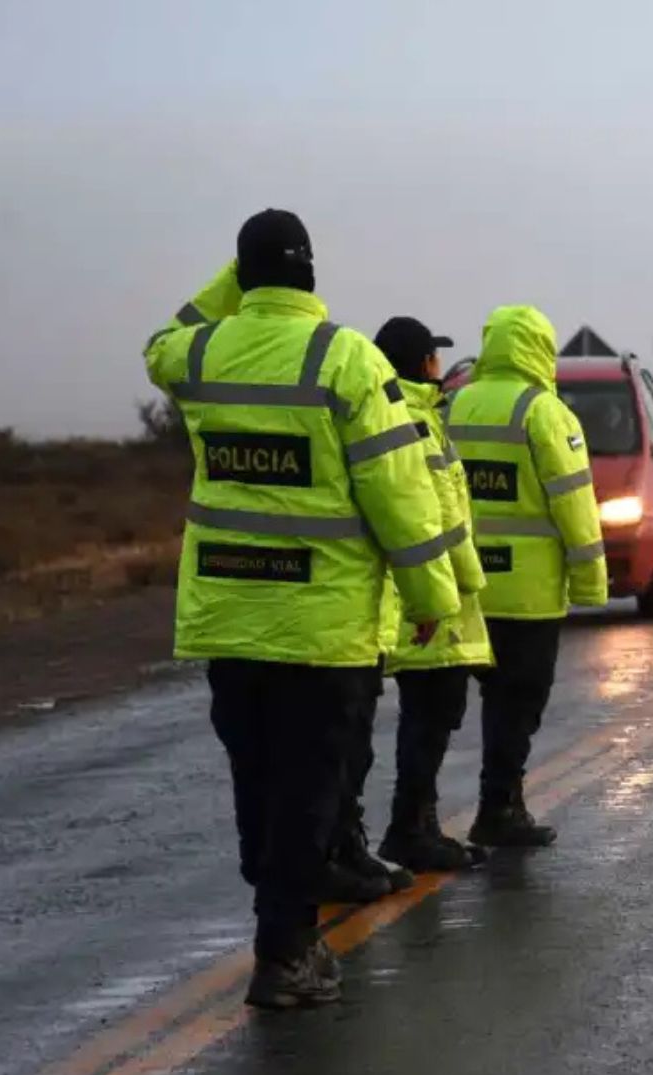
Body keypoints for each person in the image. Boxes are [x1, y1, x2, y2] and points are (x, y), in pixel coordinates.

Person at [141, 209, 460, 1009]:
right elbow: (399, 495)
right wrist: (431, 596)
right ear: (310, 273)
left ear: (243, 276)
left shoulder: (202, 353)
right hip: (323, 627)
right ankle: (284, 950)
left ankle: (281, 924)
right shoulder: (345, 359)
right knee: (309, 788)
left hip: (230, 615)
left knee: (257, 779)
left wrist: (236, 283)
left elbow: (161, 342)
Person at [448, 306, 607, 848]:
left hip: (464, 586)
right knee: (516, 706)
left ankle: (420, 818)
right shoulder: (544, 413)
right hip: (528, 595)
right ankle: (499, 807)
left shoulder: (454, 405)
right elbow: (575, 507)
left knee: (441, 710)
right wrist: (590, 584)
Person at [368, 316, 493, 872]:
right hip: (429, 594)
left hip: (420, 588)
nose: (440, 366)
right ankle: (409, 829)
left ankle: (418, 826)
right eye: (434, 357)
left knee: (430, 712)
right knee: (431, 714)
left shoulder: (400, 415)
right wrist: (463, 587)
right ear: (423, 364)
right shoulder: (415, 422)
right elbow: (441, 518)